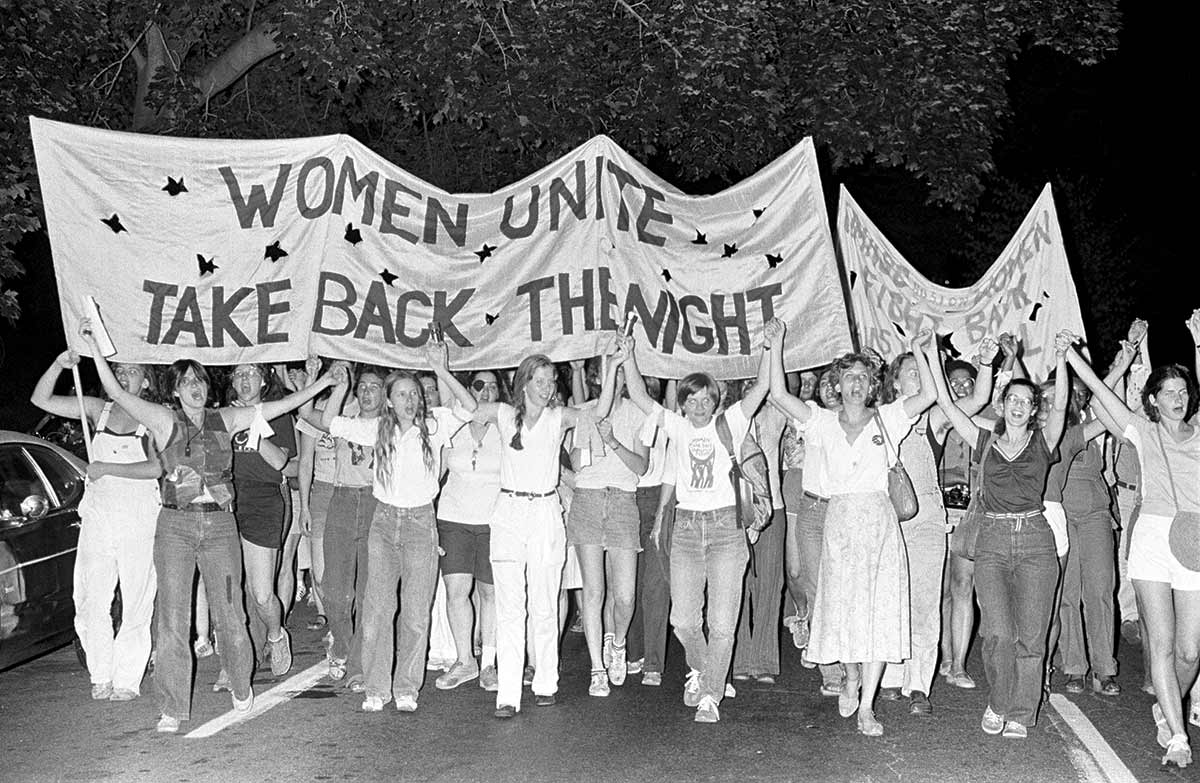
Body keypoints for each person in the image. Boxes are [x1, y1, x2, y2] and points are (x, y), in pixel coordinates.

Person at [80, 320, 341, 733]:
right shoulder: (163, 419)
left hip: (220, 527)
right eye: (186, 382)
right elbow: (116, 391)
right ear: (174, 390)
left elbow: (278, 408)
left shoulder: (227, 418)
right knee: (172, 618)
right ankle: (172, 707)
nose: (195, 387)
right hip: (175, 526)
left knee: (230, 612)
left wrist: (323, 381)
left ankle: (240, 682)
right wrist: (94, 343)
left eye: (199, 380)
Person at [767, 322, 937, 737]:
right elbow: (779, 395)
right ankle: (850, 675)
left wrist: (919, 349)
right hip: (840, 522)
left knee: (879, 611)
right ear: (837, 385)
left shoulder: (889, 418)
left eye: (864, 377)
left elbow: (929, 395)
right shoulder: (821, 422)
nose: (856, 384)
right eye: (849, 377)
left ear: (873, 385)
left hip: (878, 523)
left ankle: (867, 707)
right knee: (841, 608)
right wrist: (776, 346)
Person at [1061, 313, 1200, 769]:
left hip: (1194, 540)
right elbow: (1101, 395)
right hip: (1153, 541)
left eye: (1183, 391)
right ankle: (1177, 735)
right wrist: (1071, 357)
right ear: (1153, 401)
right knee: (1161, 644)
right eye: (1169, 392)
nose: (1178, 398)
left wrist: (1198, 344)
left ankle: (1167, 705)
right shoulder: (1143, 430)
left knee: (1190, 651)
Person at [624, 334, 771, 724]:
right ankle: (706, 671)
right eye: (692, 400)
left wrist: (770, 348)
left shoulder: (731, 422)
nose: (700, 406)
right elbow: (638, 394)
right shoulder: (676, 427)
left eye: (706, 399)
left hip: (726, 528)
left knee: (722, 622)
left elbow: (762, 387)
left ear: (716, 400)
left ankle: (710, 694)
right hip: (687, 528)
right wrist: (628, 356)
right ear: (683, 403)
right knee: (684, 620)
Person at [321, 343, 476, 713]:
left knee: (416, 611)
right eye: (403, 394)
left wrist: (440, 369)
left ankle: (406, 686)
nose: (411, 400)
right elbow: (329, 422)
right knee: (377, 608)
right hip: (384, 521)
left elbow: (469, 407)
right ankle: (377, 687)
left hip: (421, 523)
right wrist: (340, 386)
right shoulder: (378, 428)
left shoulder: (434, 425)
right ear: (389, 401)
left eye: (414, 394)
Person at [469, 346, 621, 718]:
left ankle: (545, 682)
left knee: (544, 604)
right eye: (539, 381)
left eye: (551, 381)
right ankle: (507, 695)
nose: (547, 388)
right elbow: (472, 407)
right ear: (523, 383)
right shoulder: (505, 415)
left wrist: (614, 365)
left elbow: (599, 411)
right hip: (509, 512)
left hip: (545, 513)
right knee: (509, 607)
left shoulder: (558, 418)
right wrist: (441, 370)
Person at [931, 332, 1069, 740]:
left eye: (1027, 402)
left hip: (1035, 541)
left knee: (1031, 636)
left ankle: (1021, 713)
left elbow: (1062, 404)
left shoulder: (1043, 441)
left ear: (1034, 410)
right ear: (1002, 404)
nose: (1019, 406)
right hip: (991, 538)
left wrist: (1062, 358)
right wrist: (938, 356)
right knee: (997, 633)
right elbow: (947, 406)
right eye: (1013, 399)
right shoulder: (985, 440)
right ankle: (999, 701)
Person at [31, 352, 162, 701]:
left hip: (138, 515)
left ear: (146, 381)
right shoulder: (96, 409)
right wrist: (59, 364)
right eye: (119, 371)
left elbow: (156, 468)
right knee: (90, 597)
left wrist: (107, 468)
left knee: (136, 598)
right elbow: (41, 400)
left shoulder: (153, 416)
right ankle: (101, 671)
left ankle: (127, 678)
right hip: (100, 514)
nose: (124, 376)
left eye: (133, 371)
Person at [878, 338, 997, 717]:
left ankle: (918, 684)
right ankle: (889, 676)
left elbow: (978, 399)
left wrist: (987, 363)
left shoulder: (933, 419)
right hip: (884, 521)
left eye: (924, 372)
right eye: (913, 373)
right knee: (890, 600)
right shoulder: (877, 417)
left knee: (926, 604)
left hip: (927, 522)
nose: (920, 377)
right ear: (895, 382)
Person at [567, 358, 649, 696]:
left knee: (625, 596)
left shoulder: (638, 412)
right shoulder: (582, 411)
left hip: (622, 502)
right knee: (594, 592)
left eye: (619, 371)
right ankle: (597, 668)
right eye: (605, 371)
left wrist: (613, 441)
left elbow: (641, 467)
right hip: (587, 500)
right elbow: (574, 462)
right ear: (596, 377)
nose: (612, 378)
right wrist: (591, 440)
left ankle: (617, 644)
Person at [307, 363, 386, 686]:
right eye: (362, 386)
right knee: (334, 589)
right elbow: (307, 412)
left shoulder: (393, 426)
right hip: (340, 499)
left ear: (386, 394)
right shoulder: (342, 422)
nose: (366, 392)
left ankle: (357, 664)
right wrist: (331, 382)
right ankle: (341, 643)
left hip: (375, 503)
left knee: (368, 591)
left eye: (374, 387)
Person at [434, 369, 507, 692]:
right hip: (454, 520)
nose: (486, 391)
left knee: (490, 593)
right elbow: (436, 473)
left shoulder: (506, 426)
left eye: (492, 386)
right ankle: (465, 660)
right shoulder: (455, 424)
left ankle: (489, 663)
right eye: (479, 385)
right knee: (456, 591)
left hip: (494, 522)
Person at [227, 363, 297, 679]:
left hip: (264, 500)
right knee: (232, 590)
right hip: (228, 499)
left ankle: (276, 635)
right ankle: (240, 658)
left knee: (262, 594)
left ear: (264, 380)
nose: (245, 380)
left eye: (252, 373)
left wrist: (253, 423)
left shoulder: (277, 414)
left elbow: (280, 460)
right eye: (239, 374)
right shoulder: (223, 414)